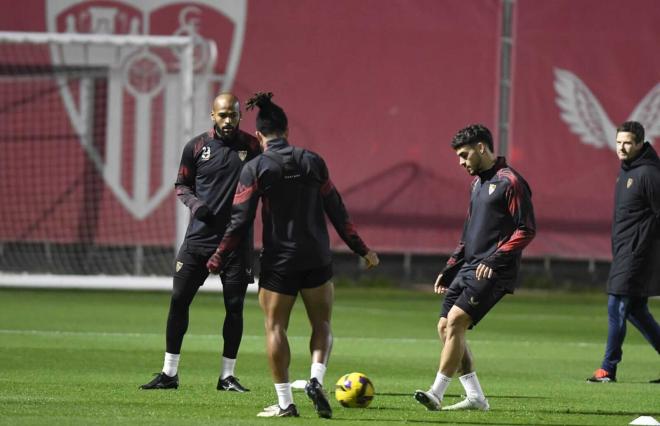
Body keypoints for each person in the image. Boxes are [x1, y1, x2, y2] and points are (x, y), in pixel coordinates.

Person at [206, 92, 380, 418]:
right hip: (317, 258)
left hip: (279, 262)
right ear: (286, 131)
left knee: (275, 328)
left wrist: (218, 256)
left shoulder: (256, 167)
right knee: (323, 323)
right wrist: (363, 249)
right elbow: (337, 210)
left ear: (258, 135)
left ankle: (286, 403)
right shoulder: (313, 161)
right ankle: (316, 378)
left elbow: (240, 220)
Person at [140, 93, 261, 391]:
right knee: (179, 300)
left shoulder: (252, 147)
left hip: (236, 243)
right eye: (223, 115)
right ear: (212, 115)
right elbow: (181, 185)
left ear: (239, 116)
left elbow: (268, 178)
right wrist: (197, 206)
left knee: (234, 307)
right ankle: (169, 373)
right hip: (198, 239)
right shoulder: (196, 147)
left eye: (233, 115)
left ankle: (227, 376)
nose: (228, 120)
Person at [414, 124, 536, 411]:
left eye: (464, 154)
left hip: (494, 269)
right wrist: (450, 266)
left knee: (456, 321)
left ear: (482, 148)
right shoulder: (477, 184)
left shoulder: (511, 182)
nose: (461, 161)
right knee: (444, 327)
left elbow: (526, 229)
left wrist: (494, 259)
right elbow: (469, 232)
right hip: (470, 267)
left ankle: (437, 392)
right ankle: (476, 397)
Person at [587, 121, 660, 384]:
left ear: (640, 143)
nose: (622, 147)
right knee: (636, 310)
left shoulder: (649, 173)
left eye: (627, 142)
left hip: (637, 254)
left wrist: (647, 247)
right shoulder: (627, 171)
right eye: (618, 142)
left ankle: (608, 368)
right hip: (625, 252)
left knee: (616, 304)